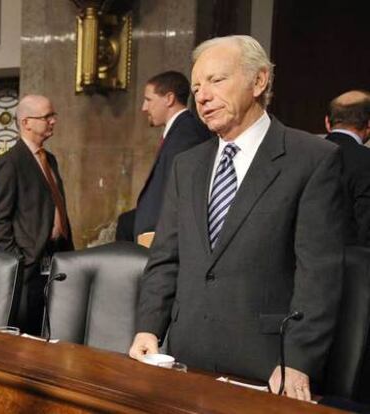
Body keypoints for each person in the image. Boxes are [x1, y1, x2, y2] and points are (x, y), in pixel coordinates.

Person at [130, 35, 344, 401]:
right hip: (184, 359)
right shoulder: (188, 165)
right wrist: (149, 328)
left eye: (216, 80)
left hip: (265, 367)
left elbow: (318, 274)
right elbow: (166, 258)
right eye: (197, 87)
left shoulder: (311, 159)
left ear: (259, 81)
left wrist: (297, 359)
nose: (202, 95)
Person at [0, 94, 74, 335]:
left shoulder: (50, 160)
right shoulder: (10, 163)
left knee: (51, 331)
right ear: (26, 122)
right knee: (26, 335)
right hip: (29, 265)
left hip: (56, 259)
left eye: (53, 115)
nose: (53, 121)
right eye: (47, 116)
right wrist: (17, 259)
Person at [134, 71, 211, 240]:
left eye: (148, 100)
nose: (144, 107)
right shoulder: (178, 132)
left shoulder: (187, 134)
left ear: (169, 98)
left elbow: (180, 196)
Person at [325, 90, 370, 246]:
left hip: (306, 262)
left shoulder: (302, 155)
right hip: (358, 264)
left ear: (327, 123)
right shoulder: (366, 160)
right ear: (369, 124)